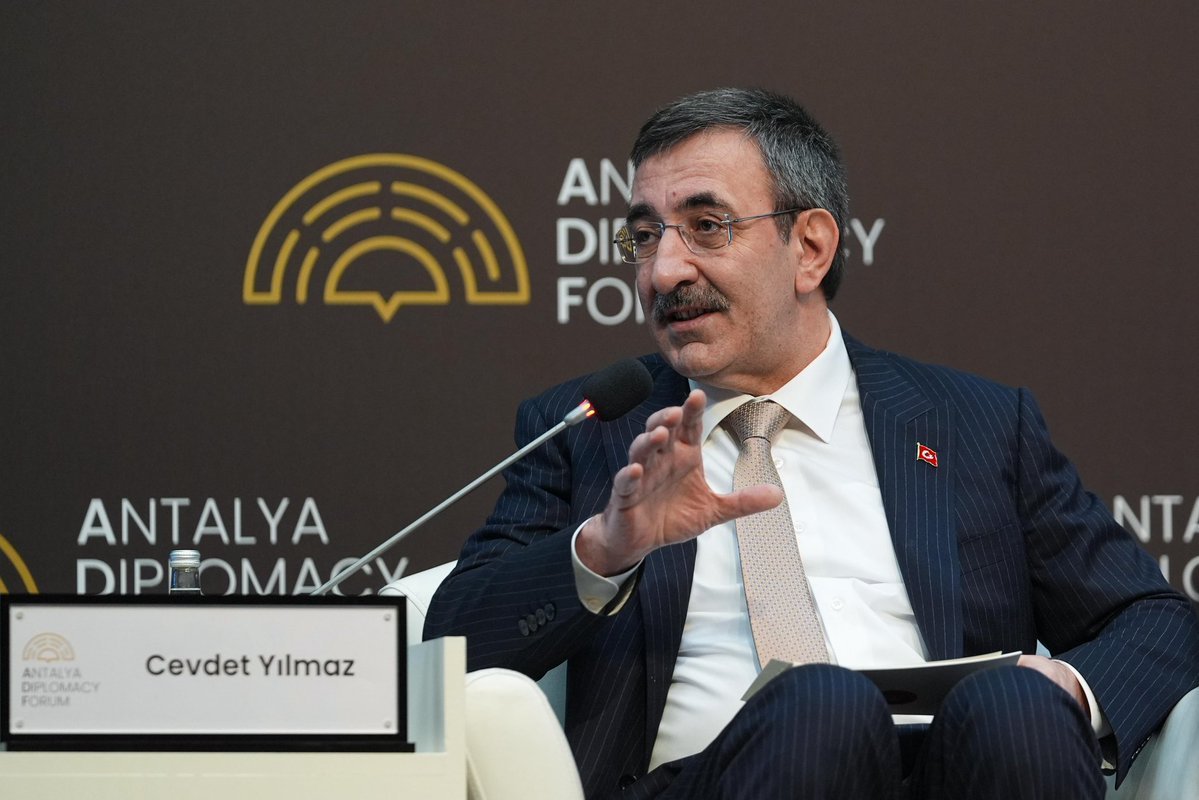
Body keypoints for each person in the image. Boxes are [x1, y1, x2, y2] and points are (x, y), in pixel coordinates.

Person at [424, 88, 1199, 799]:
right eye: (644, 235)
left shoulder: (976, 424)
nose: (663, 271)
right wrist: (606, 550)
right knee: (822, 705)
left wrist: (1067, 687)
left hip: (961, 773)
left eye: (706, 227)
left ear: (811, 248)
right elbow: (447, 647)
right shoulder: (594, 431)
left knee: (1019, 709)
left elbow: (1155, 619)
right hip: (717, 779)